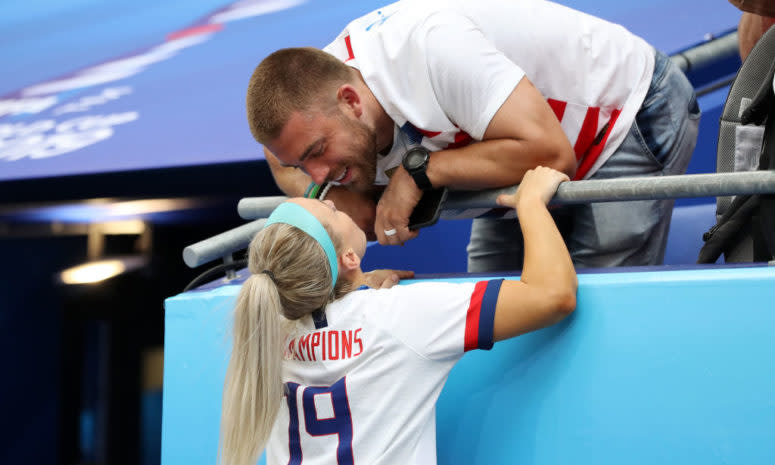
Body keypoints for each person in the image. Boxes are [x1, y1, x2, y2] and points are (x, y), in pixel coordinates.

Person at [247, 0, 700, 271]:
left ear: (352, 101)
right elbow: (281, 159)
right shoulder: (306, 106)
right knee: (495, 320)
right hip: (506, 145)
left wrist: (419, 174)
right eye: (302, 163)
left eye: (318, 154)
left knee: (590, 311)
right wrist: (322, 196)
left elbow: (551, 155)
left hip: (621, 114)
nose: (318, 171)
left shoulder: (432, 52)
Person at [218, 166, 577, 465]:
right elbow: (553, 295)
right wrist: (530, 203)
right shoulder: (399, 314)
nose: (329, 200)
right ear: (348, 260)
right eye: (330, 211)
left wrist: (357, 289)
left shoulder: (267, 331)